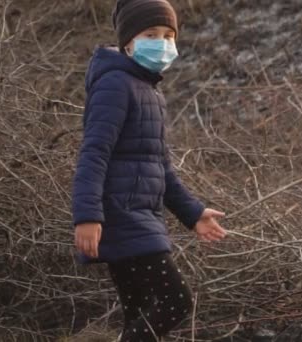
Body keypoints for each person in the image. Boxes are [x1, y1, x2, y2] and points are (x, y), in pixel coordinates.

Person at [71, 0, 227, 340]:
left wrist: (194, 213)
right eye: (151, 34)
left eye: (168, 35)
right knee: (176, 301)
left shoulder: (150, 92)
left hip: (140, 216)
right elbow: (93, 153)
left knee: (139, 313)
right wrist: (87, 216)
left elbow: (159, 166)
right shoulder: (115, 84)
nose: (162, 43)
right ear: (128, 41)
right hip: (122, 216)